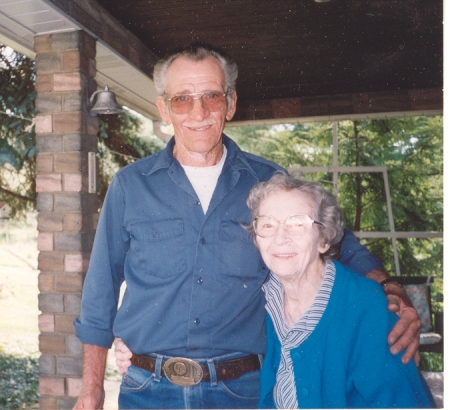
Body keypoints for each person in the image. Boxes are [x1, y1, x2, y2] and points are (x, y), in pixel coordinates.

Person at [74, 43, 421, 409]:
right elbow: (100, 289)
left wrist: (389, 289)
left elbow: (336, 241)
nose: (199, 111)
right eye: (182, 99)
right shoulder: (131, 185)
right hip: (148, 391)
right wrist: (91, 388)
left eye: (211, 96)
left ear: (231, 103)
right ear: (163, 108)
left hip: (241, 393)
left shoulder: (267, 179)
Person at [246, 172, 435, 408]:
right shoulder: (271, 299)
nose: (280, 237)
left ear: (324, 239)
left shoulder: (365, 306)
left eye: (297, 224)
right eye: (267, 224)